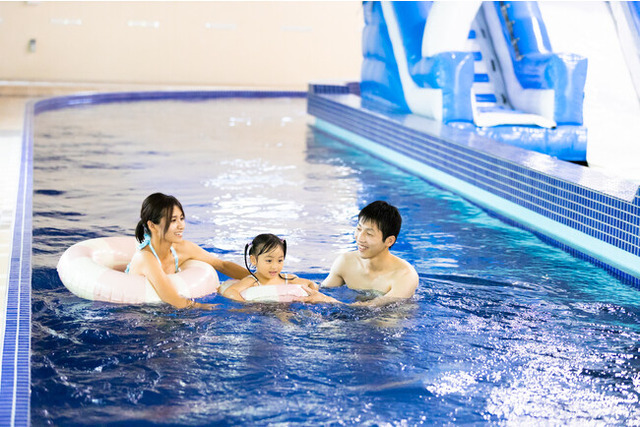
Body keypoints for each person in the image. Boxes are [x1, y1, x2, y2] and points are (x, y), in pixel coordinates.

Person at [126, 192, 247, 309]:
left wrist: (255, 278)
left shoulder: (182, 249)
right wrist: (210, 308)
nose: (181, 226)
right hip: (139, 311)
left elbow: (222, 265)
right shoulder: (145, 258)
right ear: (152, 225)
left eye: (181, 218)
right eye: (173, 220)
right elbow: (171, 298)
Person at [322, 200, 419, 306]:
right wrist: (310, 289)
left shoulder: (405, 275)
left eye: (369, 234)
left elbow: (374, 307)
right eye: (359, 229)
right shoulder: (345, 262)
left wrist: (328, 300)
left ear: (389, 241)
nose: (360, 238)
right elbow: (324, 291)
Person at [221, 233, 340, 304]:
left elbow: (311, 284)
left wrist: (313, 295)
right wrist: (245, 305)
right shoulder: (253, 281)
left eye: (280, 260)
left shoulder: (287, 279)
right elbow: (230, 291)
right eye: (269, 261)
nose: (275, 266)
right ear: (253, 260)